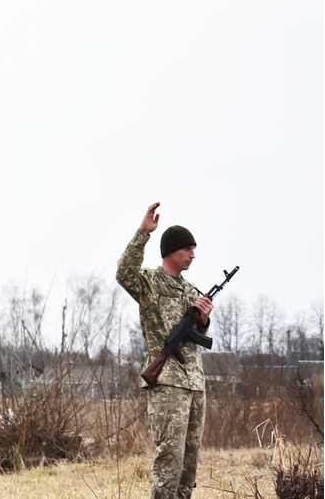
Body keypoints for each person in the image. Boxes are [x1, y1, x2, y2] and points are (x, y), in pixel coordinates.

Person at [116, 202, 215, 499]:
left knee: (189, 463)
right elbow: (124, 272)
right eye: (188, 249)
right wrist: (142, 233)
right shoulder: (149, 283)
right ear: (171, 251)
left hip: (195, 384)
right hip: (168, 383)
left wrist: (203, 320)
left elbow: (198, 335)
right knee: (169, 459)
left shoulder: (192, 291)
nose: (193, 255)